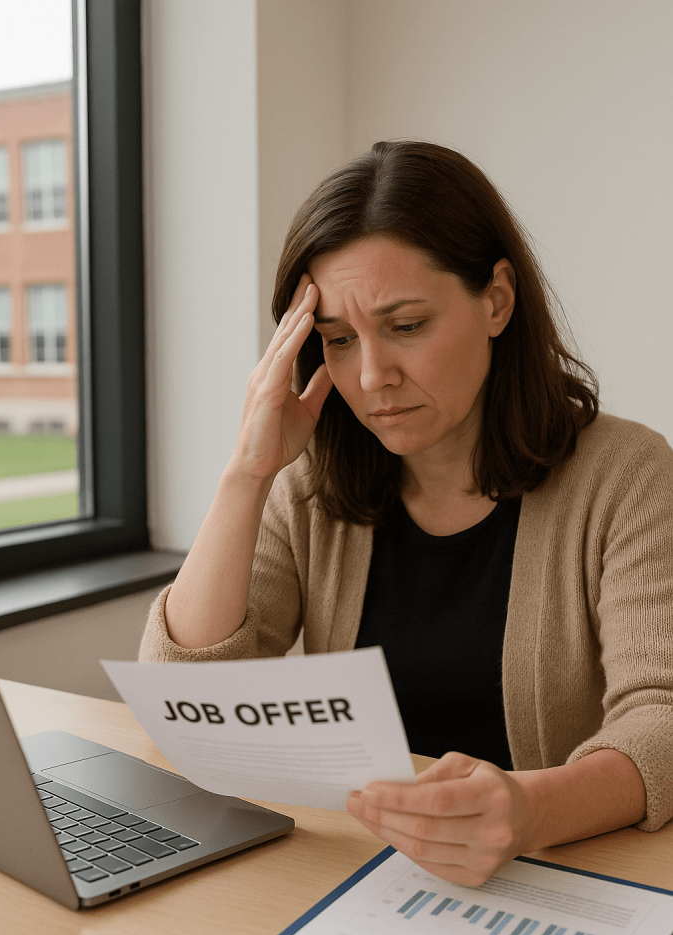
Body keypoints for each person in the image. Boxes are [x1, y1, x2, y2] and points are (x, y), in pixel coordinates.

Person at [140, 141, 673, 887]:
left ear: (495, 300)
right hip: (364, 877)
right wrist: (247, 472)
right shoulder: (310, 487)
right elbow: (186, 702)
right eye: (337, 340)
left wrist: (528, 809)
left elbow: (661, 716)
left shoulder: (626, 474)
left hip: (562, 876)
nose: (371, 376)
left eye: (407, 325)